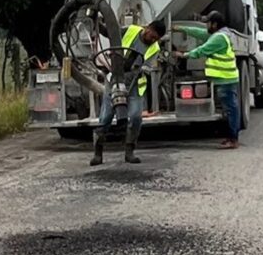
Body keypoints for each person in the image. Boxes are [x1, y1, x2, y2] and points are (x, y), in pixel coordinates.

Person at [91, 19, 166, 166]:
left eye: (156, 39)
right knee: (105, 117)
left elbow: (148, 65)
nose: (153, 40)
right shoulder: (131, 30)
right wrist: (97, 22)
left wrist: (145, 69)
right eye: (152, 36)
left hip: (135, 86)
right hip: (115, 81)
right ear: (147, 28)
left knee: (136, 117)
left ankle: (129, 151)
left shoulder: (155, 48)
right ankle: (98, 153)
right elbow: (110, 32)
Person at [172, 10, 241, 149]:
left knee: (230, 110)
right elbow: (199, 32)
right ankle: (231, 137)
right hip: (225, 79)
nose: (206, 26)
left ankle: (233, 139)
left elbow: (202, 50)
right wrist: (181, 28)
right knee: (230, 109)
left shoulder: (219, 38)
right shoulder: (221, 34)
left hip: (225, 79)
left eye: (208, 23)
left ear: (214, 24)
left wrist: (182, 55)